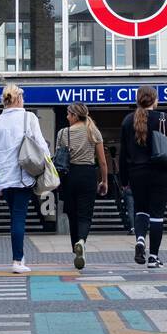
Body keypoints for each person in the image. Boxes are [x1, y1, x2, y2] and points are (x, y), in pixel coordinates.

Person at [0, 83, 47, 274]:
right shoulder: (29, 117)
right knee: (18, 218)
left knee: (15, 216)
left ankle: (20, 256)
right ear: (18, 98)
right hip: (23, 176)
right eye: (23, 98)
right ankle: (17, 260)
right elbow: (42, 146)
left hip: (3, 179)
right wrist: (48, 166)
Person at [119, 85, 167, 269]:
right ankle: (153, 257)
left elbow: (123, 154)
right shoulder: (163, 118)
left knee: (141, 210)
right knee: (157, 215)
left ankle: (141, 239)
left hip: (137, 173)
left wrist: (124, 180)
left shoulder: (128, 121)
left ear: (138, 99)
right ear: (154, 99)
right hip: (160, 172)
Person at [56, 102, 109, 270]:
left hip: (70, 175)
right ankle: (82, 241)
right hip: (88, 174)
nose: (66, 117)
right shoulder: (93, 131)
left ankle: (75, 248)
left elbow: (59, 158)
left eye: (68, 114)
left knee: (72, 214)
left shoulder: (63, 133)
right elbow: (102, 161)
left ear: (74, 115)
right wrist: (104, 181)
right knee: (85, 215)